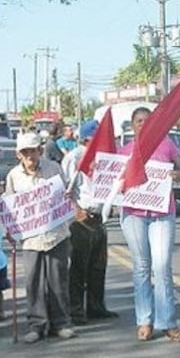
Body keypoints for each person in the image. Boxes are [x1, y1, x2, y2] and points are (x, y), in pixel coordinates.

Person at [119, 107, 180, 342]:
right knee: (141, 266)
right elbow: (114, 180)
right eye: (138, 121)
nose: (143, 124)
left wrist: (178, 175)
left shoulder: (167, 145)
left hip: (162, 214)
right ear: (132, 125)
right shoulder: (125, 151)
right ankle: (144, 320)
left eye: (147, 121)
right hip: (133, 214)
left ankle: (167, 322)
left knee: (162, 266)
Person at [6, 132, 77, 343]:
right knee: (33, 282)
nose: (30, 155)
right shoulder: (13, 176)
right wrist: (10, 230)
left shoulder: (53, 168)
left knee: (58, 280)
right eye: (25, 152)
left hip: (56, 234)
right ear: (18, 154)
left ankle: (61, 323)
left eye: (33, 151)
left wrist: (67, 199)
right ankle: (37, 325)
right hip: (31, 239)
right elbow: (10, 207)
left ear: (40, 150)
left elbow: (66, 194)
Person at [62, 120, 118, 324]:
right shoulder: (75, 157)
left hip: (99, 216)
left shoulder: (105, 157)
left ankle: (96, 306)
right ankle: (76, 310)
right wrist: (76, 210)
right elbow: (65, 189)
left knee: (98, 266)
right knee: (79, 267)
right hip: (82, 218)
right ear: (87, 138)